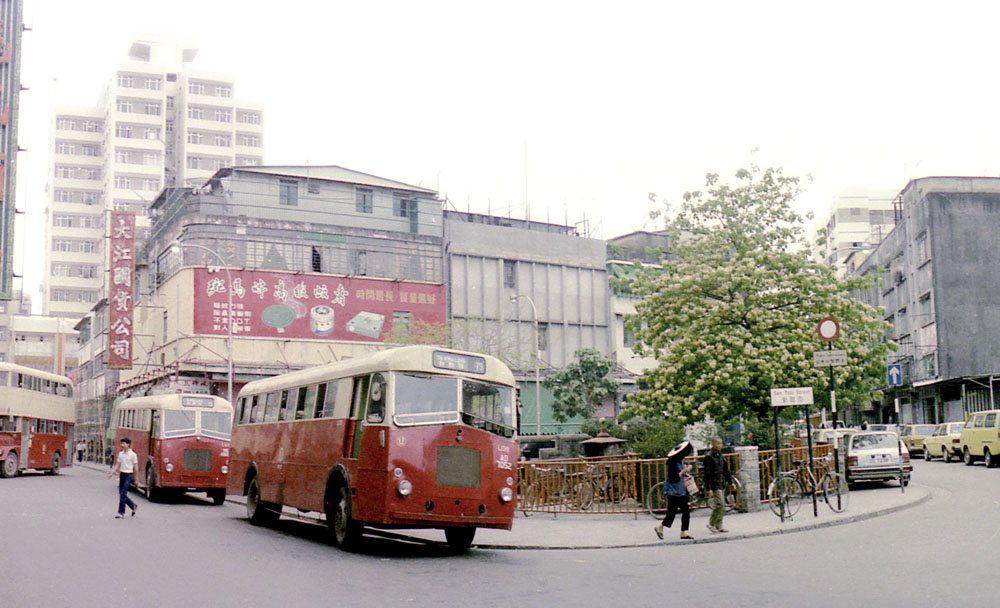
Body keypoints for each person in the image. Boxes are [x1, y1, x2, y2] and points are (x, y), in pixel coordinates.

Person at [654, 441, 694, 540]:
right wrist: (684, 471)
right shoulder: (673, 463)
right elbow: (674, 477)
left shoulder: (678, 461)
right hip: (674, 491)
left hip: (679, 490)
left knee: (682, 511)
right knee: (673, 512)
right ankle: (661, 528)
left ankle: (681, 531)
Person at [703, 437, 733, 533]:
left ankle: (719, 525)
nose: (720, 445)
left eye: (721, 443)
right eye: (718, 443)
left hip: (721, 481)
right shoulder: (709, 457)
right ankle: (711, 523)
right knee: (720, 504)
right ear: (713, 444)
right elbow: (707, 473)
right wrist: (708, 488)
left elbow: (725, 470)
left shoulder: (720, 455)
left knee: (722, 505)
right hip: (714, 482)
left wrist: (730, 482)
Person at [107, 438, 138, 519]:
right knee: (122, 494)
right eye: (121, 443)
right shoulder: (121, 454)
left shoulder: (133, 455)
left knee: (123, 494)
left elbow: (136, 467)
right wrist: (112, 473)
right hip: (122, 475)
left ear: (128, 444)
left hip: (129, 475)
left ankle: (121, 513)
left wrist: (136, 479)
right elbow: (118, 464)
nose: (122, 445)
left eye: (123, 443)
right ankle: (133, 506)